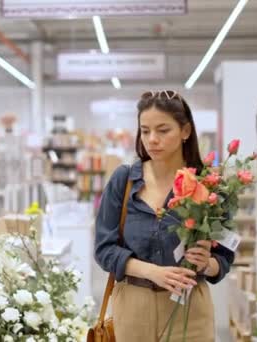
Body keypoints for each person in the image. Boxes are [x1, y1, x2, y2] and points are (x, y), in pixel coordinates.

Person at [94, 90, 234, 341]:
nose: (152, 139)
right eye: (145, 131)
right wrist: (152, 272)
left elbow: (223, 256)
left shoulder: (209, 184)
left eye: (162, 130)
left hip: (189, 309)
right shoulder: (123, 180)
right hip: (133, 307)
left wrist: (206, 264)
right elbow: (104, 249)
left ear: (185, 131)